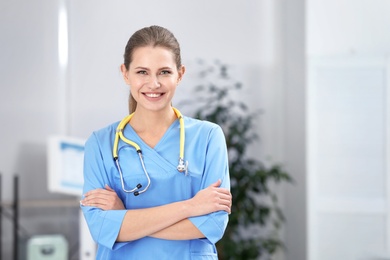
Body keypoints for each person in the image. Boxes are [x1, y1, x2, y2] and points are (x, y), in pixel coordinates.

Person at [80, 25, 231, 259]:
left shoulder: (208, 137)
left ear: (180, 74)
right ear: (125, 73)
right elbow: (101, 228)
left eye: (164, 72)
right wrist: (190, 207)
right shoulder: (100, 144)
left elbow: (212, 225)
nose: (153, 83)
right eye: (142, 72)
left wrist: (125, 218)